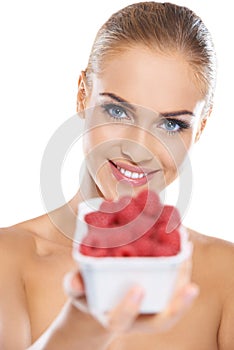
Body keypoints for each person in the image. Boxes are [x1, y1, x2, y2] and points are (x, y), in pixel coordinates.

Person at [0, 2, 234, 349]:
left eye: (172, 124)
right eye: (118, 110)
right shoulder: (9, 259)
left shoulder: (227, 276)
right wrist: (82, 325)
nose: (138, 149)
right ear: (83, 95)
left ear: (200, 128)